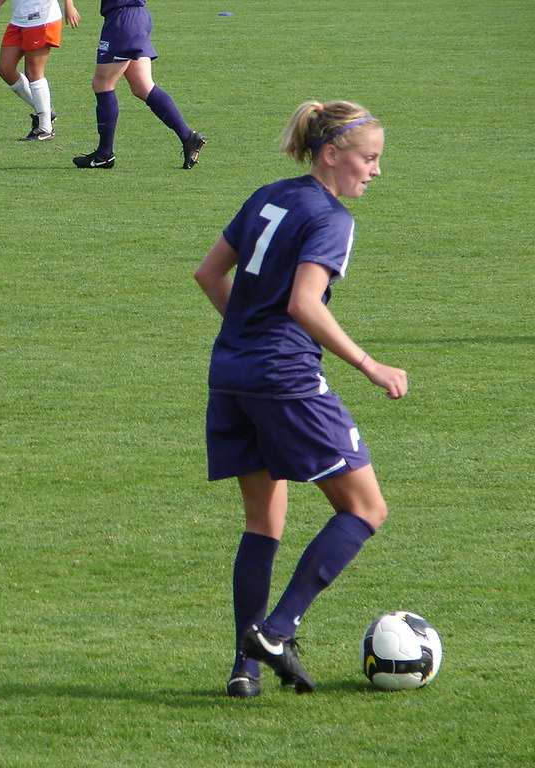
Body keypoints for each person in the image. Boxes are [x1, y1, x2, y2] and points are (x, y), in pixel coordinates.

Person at [193, 101, 405, 697]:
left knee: (264, 521)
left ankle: (245, 668)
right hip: (286, 380)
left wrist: (245, 335)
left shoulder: (268, 194)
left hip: (230, 373)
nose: (375, 171)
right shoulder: (331, 218)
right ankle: (279, 628)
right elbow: (304, 305)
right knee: (366, 509)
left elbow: (209, 275)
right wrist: (369, 364)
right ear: (332, 154)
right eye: (370, 158)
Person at [72, 0, 205, 169]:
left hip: (122, 19)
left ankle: (104, 154)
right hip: (138, 15)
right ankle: (188, 137)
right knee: (142, 86)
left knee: (102, 84)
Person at [0, 0, 80, 141]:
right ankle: (45, 111)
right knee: (5, 69)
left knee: (33, 72)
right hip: (19, 19)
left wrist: (69, 5)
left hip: (41, 18)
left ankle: (45, 129)